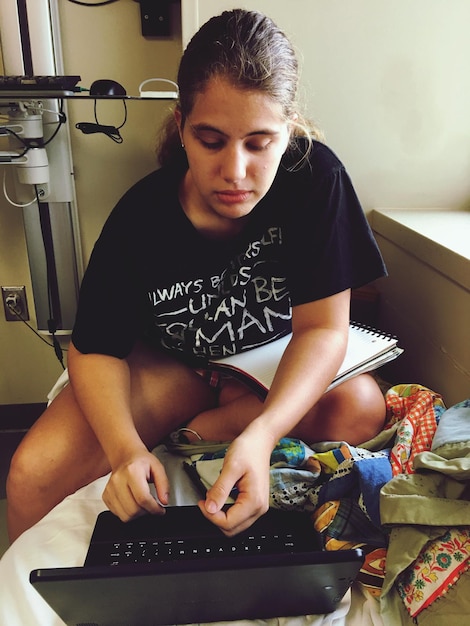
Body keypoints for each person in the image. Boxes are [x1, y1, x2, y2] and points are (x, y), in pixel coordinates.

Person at [7, 9, 387, 543]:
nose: (235, 171)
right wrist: (125, 450)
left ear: (289, 130)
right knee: (30, 477)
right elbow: (94, 349)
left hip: (267, 368)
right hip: (176, 370)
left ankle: (214, 428)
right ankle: (206, 422)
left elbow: (324, 330)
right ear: (181, 124)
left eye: (259, 143)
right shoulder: (140, 217)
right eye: (212, 140)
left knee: (363, 407)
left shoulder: (316, 179)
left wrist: (262, 432)